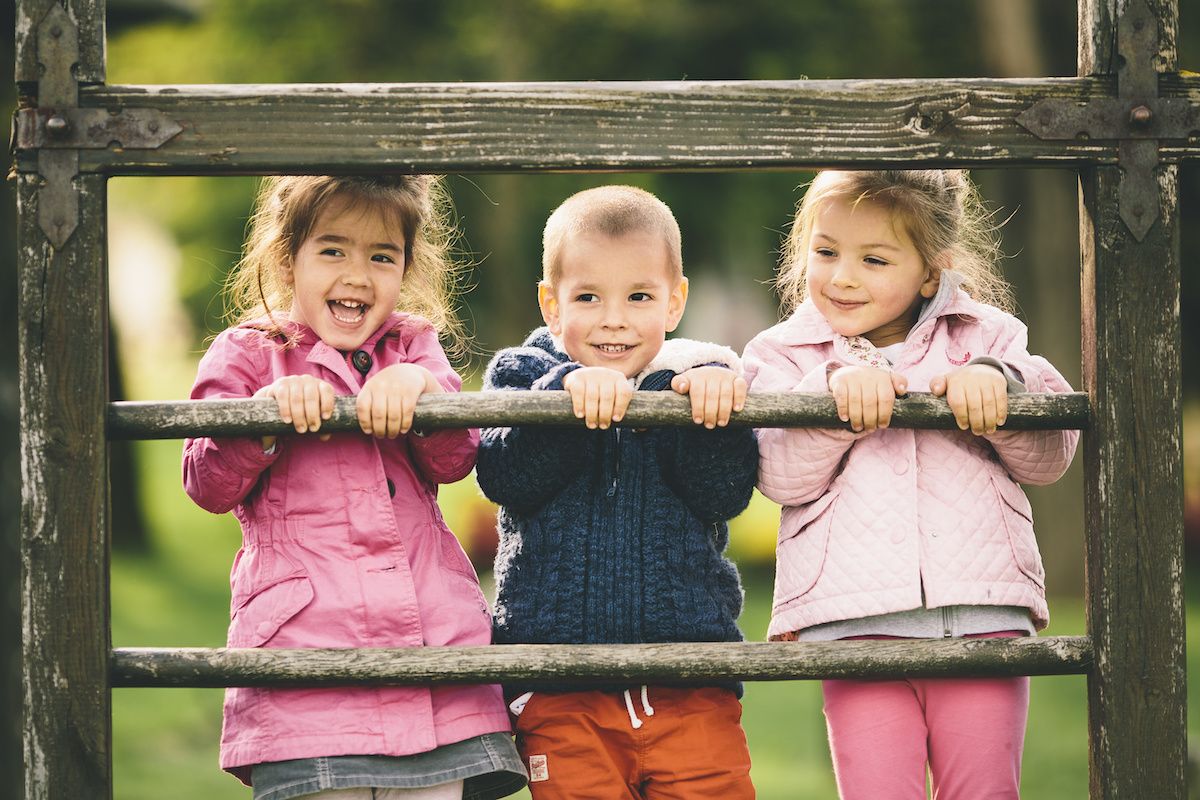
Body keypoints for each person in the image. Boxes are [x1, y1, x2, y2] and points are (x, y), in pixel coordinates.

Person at [182, 175, 526, 800]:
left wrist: (423, 395)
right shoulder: (251, 353)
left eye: (381, 256)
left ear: (406, 268)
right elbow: (205, 481)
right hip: (306, 654)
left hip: (429, 656)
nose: (358, 274)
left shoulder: (412, 345)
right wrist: (262, 418)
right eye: (333, 249)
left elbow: (455, 459)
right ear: (288, 259)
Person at [743, 169, 1079, 800]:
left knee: (983, 792)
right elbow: (776, 475)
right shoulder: (786, 353)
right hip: (853, 622)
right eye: (825, 252)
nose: (842, 276)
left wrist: (999, 388)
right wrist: (829, 397)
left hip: (981, 614)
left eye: (873, 259)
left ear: (932, 271)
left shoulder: (990, 337)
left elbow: (1050, 458)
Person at [475, 185, 759, 799]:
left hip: (690, 681)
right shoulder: (523, 378)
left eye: (638, 297)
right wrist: (562, 399)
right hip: (560, 687)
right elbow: (504, 476)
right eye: (587, 297)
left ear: (675, 301)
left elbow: (727, 493)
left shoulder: (695, 383)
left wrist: (705, 415)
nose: (613, 318)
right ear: (551, 305)